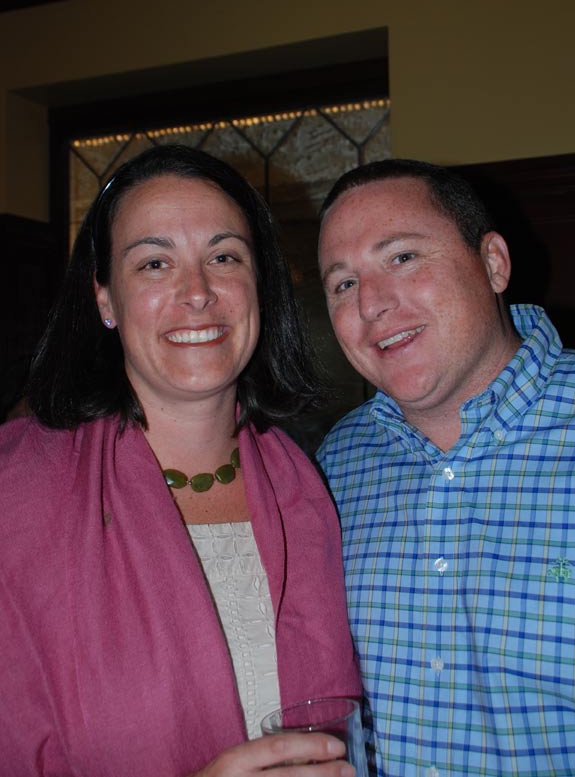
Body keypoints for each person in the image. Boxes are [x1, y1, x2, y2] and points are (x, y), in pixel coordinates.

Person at [0, 144, 361, 777]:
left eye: (224, 257)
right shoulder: (13, 493)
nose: (197, 293)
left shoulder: (311, 485)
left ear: (259, 284)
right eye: (154, 263)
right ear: (105, 298)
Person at [316, 158, 575, 777]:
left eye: (402, 257)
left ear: (493, 263)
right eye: (343, 284)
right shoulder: (330, 467)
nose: (371, 303)